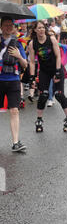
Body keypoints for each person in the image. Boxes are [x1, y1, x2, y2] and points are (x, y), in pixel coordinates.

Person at [28, 21, 67, 133]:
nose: (41, 30)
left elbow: (58, 56)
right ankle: (39, 120)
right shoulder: (32, 43)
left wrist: (58, 72)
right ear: (35, 30)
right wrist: (32, 77)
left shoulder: (51, 39)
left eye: (43, 28)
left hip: (56, 68)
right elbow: (32, 62)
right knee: (43, 95)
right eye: (39, 28)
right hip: (44, 71)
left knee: (59, 94)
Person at [0, 16, 28, 152]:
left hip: (13, 80)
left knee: (14, 110)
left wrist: (18, 56)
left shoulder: (18, 44)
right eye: (5, 25)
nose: (8, 28)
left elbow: (25, 64)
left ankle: (15, 142)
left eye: (11, 25)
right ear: (1, 27)